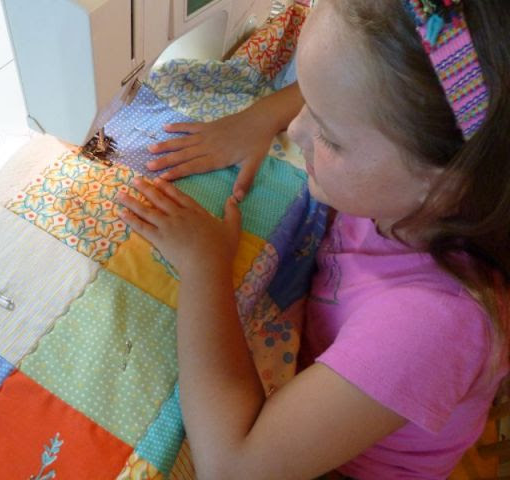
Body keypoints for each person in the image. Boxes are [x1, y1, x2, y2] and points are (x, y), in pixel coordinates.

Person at [117, 0, 510, 478]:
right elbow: (350, 82)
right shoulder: (428, 184)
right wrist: (261, 116)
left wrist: (205, 267)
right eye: (307, 105)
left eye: (330, 136)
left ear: (445, 184)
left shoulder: (434, 324)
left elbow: (232, 468)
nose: (297, 128)